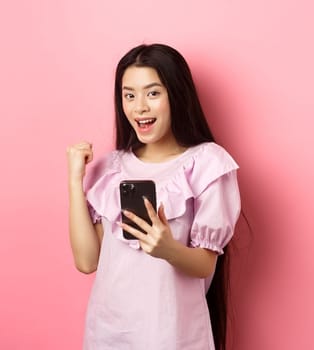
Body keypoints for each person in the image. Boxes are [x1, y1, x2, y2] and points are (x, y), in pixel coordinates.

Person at [67, 43, 240, 349]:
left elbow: (205, 265)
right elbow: (86, 261)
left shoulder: (207, 164)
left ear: (176, 94)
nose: (139, 107)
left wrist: (167, 249)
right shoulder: (110, 167)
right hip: (109, 333)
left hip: (173, 334)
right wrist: (74, 180)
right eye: (129, 95)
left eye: (153, 93)